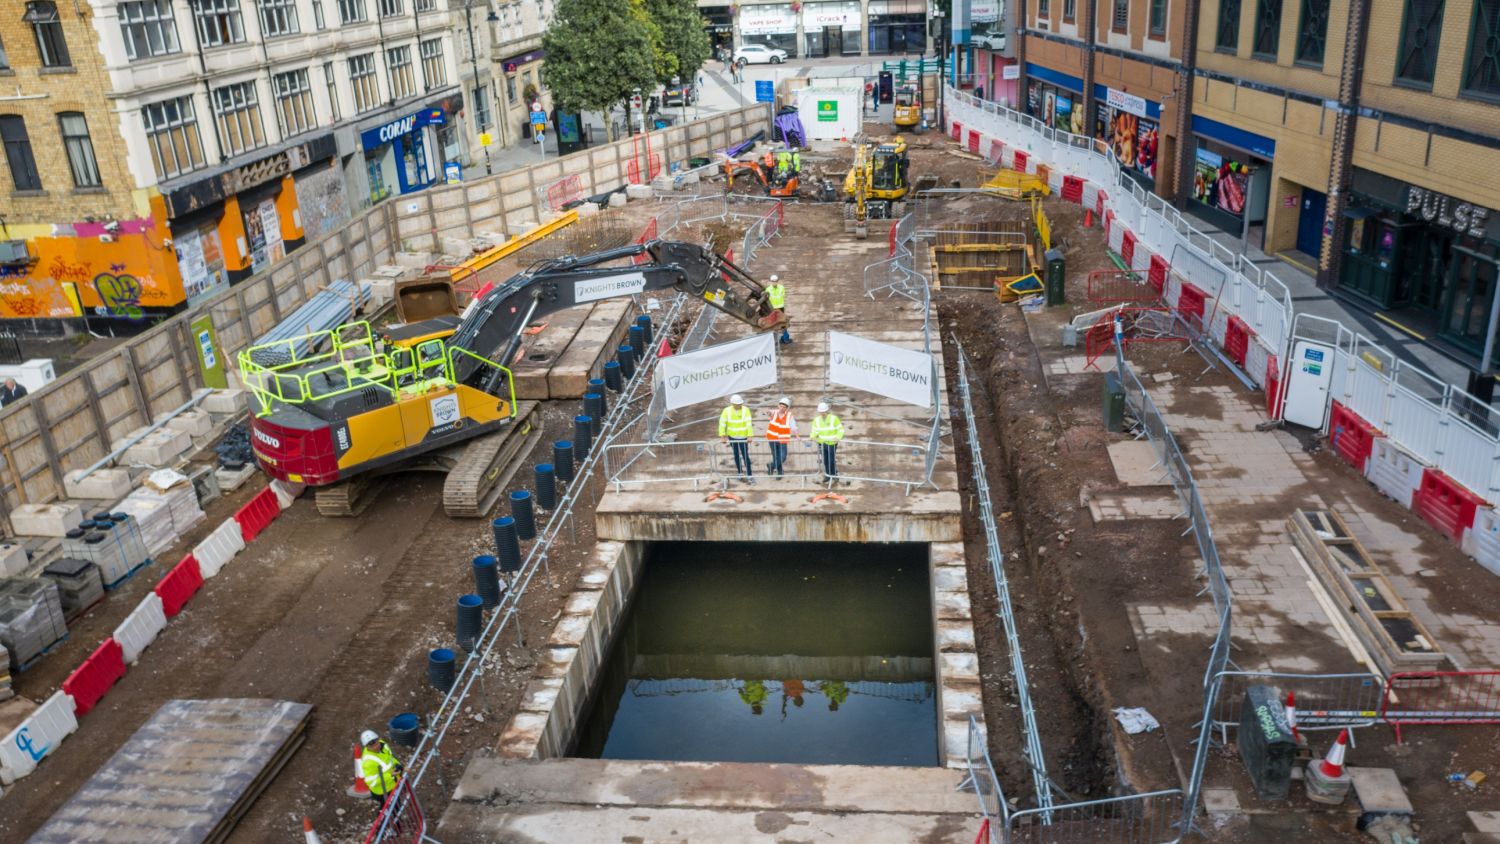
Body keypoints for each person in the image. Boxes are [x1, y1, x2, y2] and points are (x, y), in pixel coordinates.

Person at [359, 730, 404, 806]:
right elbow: (371, 781)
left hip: (392, 784)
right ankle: (389, 817)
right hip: (383, 791)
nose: (375, 747)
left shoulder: (383, 744)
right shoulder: (368, 761)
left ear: (378, 739)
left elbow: (391, 758)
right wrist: (390, 775)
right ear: (366, 746)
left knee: (396, 803)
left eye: (376, 743)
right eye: (371, 746)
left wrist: (401, 766)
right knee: (389, 809)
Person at [719, 393, 755, 483]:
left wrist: (750, 435)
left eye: (740, 404)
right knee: (736, 455)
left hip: (743, 437)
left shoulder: (746, 410)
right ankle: (739, 473)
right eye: (737, 404)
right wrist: (722, 436)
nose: (739, 405)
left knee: (745, 456)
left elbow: (748, 424)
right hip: (732, 437)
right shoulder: (726, 411)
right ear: (732, 404)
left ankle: (749, 475)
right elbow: (722, 424)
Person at [810, 401, 844, 483]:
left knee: (831, 460)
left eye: (823, 411)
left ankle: (834, 475)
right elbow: (815, 430)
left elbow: (840, 429)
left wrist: (838, 437)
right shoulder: (817, 420)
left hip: (832, 443)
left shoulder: (834, 418)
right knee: (825, 460)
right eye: (821, 411)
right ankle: (828, 475)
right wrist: (812, 436)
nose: (822, 413)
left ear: (827, 411)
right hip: (822, 443)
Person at [765, 396, 797, 477]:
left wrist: (797, 436)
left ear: (787, 408)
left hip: (783, 439)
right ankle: (780, 473)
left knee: (783, 457)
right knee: (776, 456)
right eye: (781, 406)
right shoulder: (774, 412)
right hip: (772, 439)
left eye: (784, 407)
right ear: (778, 405)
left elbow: (793, 427)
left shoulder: (789, 416)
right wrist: (768, 412)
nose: (782, 408)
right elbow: (769, 412)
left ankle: (771, 466)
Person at [764, 275, 791, 344]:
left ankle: (785, 338)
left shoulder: (781, 288)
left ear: (778, 281)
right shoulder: (768, 290)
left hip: (780, 308)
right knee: (773, 324)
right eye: (773, 281)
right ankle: (778, 339)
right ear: (771, 281)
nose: (774, 282)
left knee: (782, 323)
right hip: (772, 309)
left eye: (775, 281)